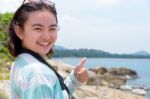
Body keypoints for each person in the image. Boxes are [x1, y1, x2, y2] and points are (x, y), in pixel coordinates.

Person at [8, 0, 88, 99]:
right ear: (19, 31)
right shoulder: (38, 74)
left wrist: (74, 80)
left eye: (52, 29)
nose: (46, 37)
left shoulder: (22, 61)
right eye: (38, 28)